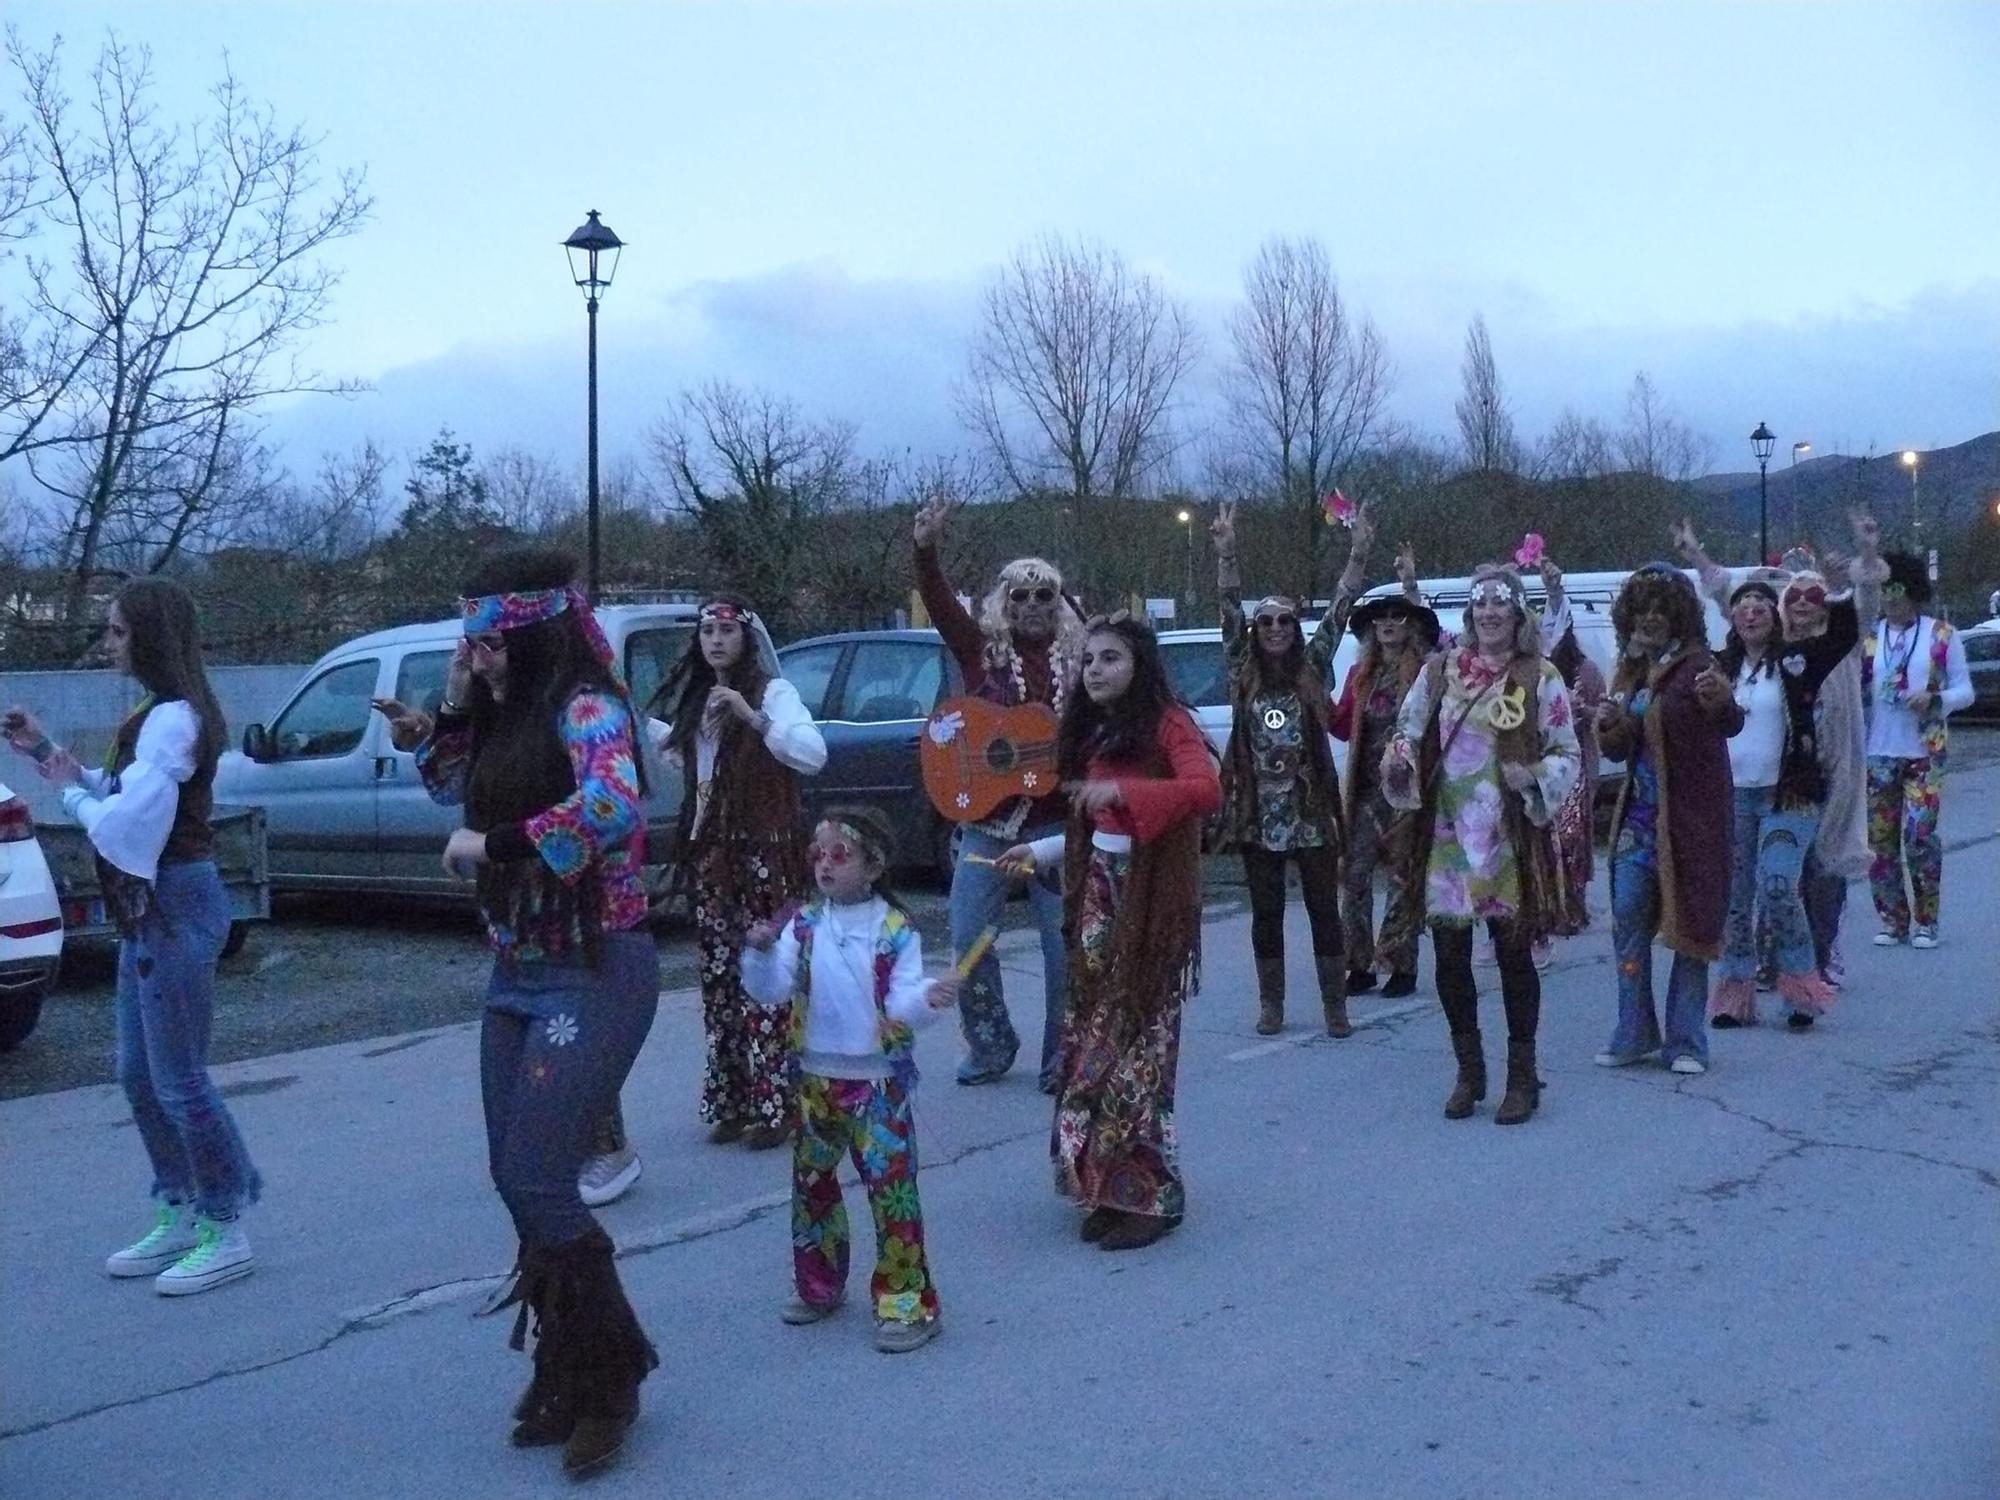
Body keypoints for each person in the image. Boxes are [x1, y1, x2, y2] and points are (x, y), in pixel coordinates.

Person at [386, 546, 659, 1475]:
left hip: (595, 966)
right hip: (515, 973)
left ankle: (610, 1381)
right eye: (471, 642)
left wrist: (495, 844)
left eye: (492, 642)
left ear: (537, 636)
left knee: (542, 1176)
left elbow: (614, 808)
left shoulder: (587, 707)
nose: (479, 655)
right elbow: (442, 785)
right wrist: (454, 705)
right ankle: (569, 1367)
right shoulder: (501, 715)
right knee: (516, 1177)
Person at [5, 581, 262, 1295]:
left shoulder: (175, 719)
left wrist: (72, 794)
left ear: (150, 637)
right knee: (138, 1074)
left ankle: (224, 1224)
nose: (109, 644)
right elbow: (126, 793)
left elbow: (126, 824)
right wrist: (50, 754)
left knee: (178, 1078)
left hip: (175, 901)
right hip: (152, 906)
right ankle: (180, 1205)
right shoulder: (157, 715)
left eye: (118, 632)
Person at [1001, 614, 1220, 1250]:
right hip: (1099, 902)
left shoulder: (1170, 723)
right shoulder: (1097, 728)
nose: (1095, 669)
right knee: (1091, 1052)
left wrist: (1124, 791)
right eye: (1090, 659)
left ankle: (1153, 1199)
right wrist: (1041, 852)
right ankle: (1107, 1187)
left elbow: (1204, 790)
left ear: (1139, 666)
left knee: (1137, 1058)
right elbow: (1096, 826)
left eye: (1111, 658)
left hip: (1148, 910)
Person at [740, 808, 959, 1353]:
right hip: (817, 1080)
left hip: (878, 1085)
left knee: (892, 1194)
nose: (825, 865)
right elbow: (771, 990)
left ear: (874, 865)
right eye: (818, 854)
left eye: (840, 854)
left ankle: (907, 1304)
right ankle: (818, 1285)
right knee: (812, 1185)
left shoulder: (895, 929)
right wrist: (760, 953)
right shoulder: (804, 924)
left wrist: (927, 999)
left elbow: (901, 1000)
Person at [1382, 565, 1579, 1125]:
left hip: (1507, 839)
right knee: (1449, 959)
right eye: (1481, 605)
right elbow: (1407, 728)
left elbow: (1568, 752)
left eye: (1500, 604)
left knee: (1514, 957)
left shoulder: (1539, 675)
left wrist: (1533, 775)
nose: (1490, 614)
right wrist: (1400, 758)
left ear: (1517, 614)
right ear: (1470, 615)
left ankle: (1522, 1076)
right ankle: (1469, 1072)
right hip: (1447, 836)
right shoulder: (1440, 671)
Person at [913, 493, 1082, 1089]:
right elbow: (940, 606)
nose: (1032, 605)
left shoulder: (1081, 662)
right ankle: (990, 1044)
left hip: (1057, 830)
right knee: (968, 939)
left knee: (1063, 945)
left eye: (1044, 595)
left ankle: (1061, 1057)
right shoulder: (981, 653)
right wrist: (925, 549)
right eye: (1020, 596)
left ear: (1059, 604)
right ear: (1003, 603)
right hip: (987, 826)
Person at [654, 595, 827, 1148]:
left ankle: (778, 1106)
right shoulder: (697, 698)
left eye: (727, 631)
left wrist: (753, 718)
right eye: (707, 631)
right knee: (720, 980)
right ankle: (733, 1100)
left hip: (763, 852)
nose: (716, 640)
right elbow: (689, 762)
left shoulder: (774, 693)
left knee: (765, 977)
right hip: (713, 852)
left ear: (747, 639)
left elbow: (812, 754)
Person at [1210, 499, 1366, 1037]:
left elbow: (1340, 610)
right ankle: (1271, 1003)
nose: (1275, 628)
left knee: (1324, 908)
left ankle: (1335, 1006)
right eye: (1266, 621)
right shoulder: (1242, 666)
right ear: (1255, 630)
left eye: (1284, 620)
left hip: (1311, 808)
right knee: (1266, 912)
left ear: (1296, 628)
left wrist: (1358, 554)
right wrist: (1227, 554)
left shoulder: (1313, 664)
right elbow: (1227, 609)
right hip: (1258, 812)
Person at [1593, 563, 1741, 1076]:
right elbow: (1618, 748)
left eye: (1660, 609)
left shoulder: (1698, 665)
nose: (1650, 618)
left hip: (1691, 824)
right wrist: (1607, 725)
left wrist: (1722, 701)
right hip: (1637, 823)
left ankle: (1686, 1042)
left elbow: (1730, 722)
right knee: (1629, 922)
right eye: (1641, 610)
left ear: (1678, 615)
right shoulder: (1632, 670)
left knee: (1691, 932)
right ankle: (1634, 1030)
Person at [1329, 540, 1441, 1001]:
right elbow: (1340, 725)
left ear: (1410, 625)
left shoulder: (1428, 671)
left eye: (1398, 617)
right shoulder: (1361, 676)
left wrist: (1411, 584)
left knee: (1401, 877)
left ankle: (1400, 963)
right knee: (1354, 877)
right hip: (1366, 793)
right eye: (1381, 619)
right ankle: (1358, 964)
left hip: (1408, 792)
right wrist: (1312, 699)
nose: (1389, 623)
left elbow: (1443, 647)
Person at [1861, 551, 1973, 949]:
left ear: (1913, 591)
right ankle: (1893, 920)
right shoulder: (1870, 637)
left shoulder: (1942, 635)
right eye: (1884, 590)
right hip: (1878, 752)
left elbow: (1966, 691)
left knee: (1919, 837)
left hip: (1924, 753)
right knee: (1881, 843)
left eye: (1897, 589)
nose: (1890, 598)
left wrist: (1936, 699)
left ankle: (1927, 921)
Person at [1534, 558, 1607, 952]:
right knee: (1544, 838)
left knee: (1572, 836)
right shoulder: (1531, 673)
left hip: (1576, 766)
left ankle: (1572, 906)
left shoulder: (1586, 671)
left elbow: (1605, 712)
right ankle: (1546, 906)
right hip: (1539, 764)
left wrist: (1585, 711)